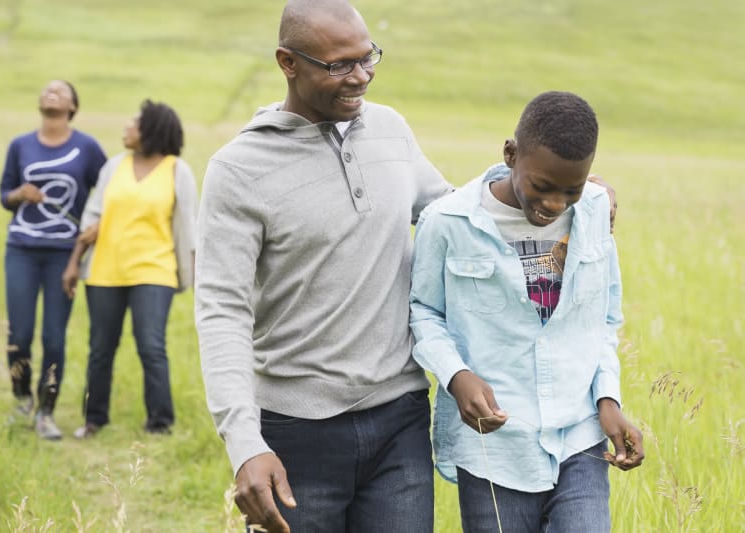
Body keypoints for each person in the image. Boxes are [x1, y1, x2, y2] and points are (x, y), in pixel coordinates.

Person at [194, 1, 454, 531]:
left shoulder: (390, 130)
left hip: (400, 417)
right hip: (294, 434)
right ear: (288, 62)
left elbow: (451, 213)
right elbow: (222, 311)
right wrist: (245, 445)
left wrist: (566, 192)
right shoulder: (237, 170)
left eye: (368, 58)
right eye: (340, 65)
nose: (361, 77)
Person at [409, 91, 645, 533]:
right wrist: (456, 375)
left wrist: (607, 399)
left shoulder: (595, 210)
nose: (555, 203)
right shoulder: (447, 222)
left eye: (571, 190)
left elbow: (604, 320)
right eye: (542, 186)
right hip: (495, 447)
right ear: (511, 154)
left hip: (580, 434)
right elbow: (423, 311)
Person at [62, 99, 198, 438]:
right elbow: (93, 213)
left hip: (155, 270)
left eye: (133, 123)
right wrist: (75, 261)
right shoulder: (114, 166)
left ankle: (160, 422)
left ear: (151, 130)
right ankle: (94, 419)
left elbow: (188, 229)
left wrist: (194, 276)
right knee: (100, 348)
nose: (126, 128)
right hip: (106, 270)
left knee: (151, 346)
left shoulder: (177, 170)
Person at [0, 79, 107, 440]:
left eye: (61, 90)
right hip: (22, 250)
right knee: (20, 333)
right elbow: (5, 195)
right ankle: (21, 401)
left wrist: (95, 228)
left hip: (64, 254)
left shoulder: (87, 148)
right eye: (46, 89)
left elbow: (109, 190)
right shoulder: (21, 145)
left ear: (73, 105)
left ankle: (46, 411)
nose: (51, 92)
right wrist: (19, 193)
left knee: (54, 337)